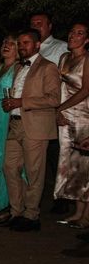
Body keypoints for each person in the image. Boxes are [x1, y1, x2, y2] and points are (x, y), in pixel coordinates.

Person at [0, 29, 61, 232]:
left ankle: (32, 215)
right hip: (14, 123)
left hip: (35, 126)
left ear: (37, 45)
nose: (23, 46)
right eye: (21, 43)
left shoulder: (48, 67)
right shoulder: (17, 67)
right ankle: (17, 211)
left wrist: (21, 101)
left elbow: (54, 99)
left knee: (34, 173)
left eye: (27, 43)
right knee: (9, 167)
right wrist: (10, 104)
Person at [29, 11, 69, 214]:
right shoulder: (26, 49)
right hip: (34, 111)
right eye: (33, 23)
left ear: (50, 26)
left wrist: (61, 108)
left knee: (56, 155)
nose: (36, 26)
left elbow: (67, 82)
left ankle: (61, 199)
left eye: (40, 23)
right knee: (38, 158)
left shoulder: (61, 48)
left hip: (54, 109)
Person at [53, 22, 89, 229]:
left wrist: (61, 108)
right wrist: (58, 111)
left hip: (84, 116)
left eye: (79, 33)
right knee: (71, 165)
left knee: (84, 167)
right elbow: (60, 86)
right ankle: (77, 212)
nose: (73, 36)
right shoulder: (64, 58)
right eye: (72, 32)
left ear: (86, 39)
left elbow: (85, 90)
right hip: (65, 117)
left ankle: (86, 216)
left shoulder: (87, 59)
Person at [0, 35, 20, 223]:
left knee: (11, 161)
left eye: (10, 44)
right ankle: (2, 203)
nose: (5, 46)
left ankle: (12, 205)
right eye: (4, 43)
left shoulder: (19, 69)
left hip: (11, 113)